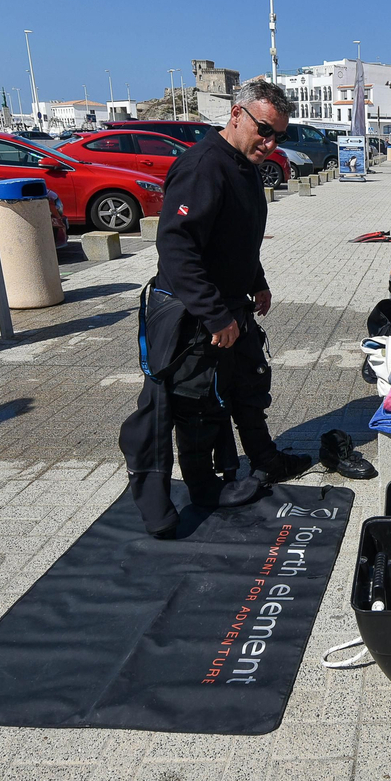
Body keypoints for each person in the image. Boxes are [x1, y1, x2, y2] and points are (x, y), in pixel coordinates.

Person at [123, 80, 312, 537]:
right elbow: (176, 248)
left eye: (278, 136)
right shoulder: (203, 166)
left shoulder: (245, 166)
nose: (269, 144)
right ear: (236, 114)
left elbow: (237, 238)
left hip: (231, 304)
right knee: (198, 405)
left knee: (247, 386)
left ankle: (266, 459)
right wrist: (215, 315)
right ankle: (204, 488)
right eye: (264, 130)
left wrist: (258, 282)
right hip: (192, 314)